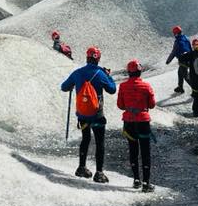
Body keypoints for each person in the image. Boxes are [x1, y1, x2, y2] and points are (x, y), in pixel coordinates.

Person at [61, 46, 116, 183]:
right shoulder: (101, 73)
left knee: (85, 139)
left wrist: (74, 85)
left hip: (83, 114)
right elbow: (112, 89)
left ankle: (81, 167)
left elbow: (64, 87)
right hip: (97, 115)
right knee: (99, 142)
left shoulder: (77, 73)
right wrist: (109, 76)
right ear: (98, 59)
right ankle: (99, 173)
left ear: (87, 57)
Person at [117, 59, 156, 192]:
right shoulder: (146, 86)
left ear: (129, 72)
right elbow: (152, 104)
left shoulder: (122, 86)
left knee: (133, 150)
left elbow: (120, 106)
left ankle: (136, 180)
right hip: (143, 121)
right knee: (145, 152)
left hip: (128, 121)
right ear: (139, 72)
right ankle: (146, 183)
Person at [165, 25, 192, 93]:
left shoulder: (177, 42)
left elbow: (173, 52)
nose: (174, 35)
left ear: (176, 33)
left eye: (174, 33)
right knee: (180, 73)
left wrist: (168, 61)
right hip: (188, 59)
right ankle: (180, 87)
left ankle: (197, 90)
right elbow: (190, 48)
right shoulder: (186, 38)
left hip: (183, 61)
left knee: (186, 76)